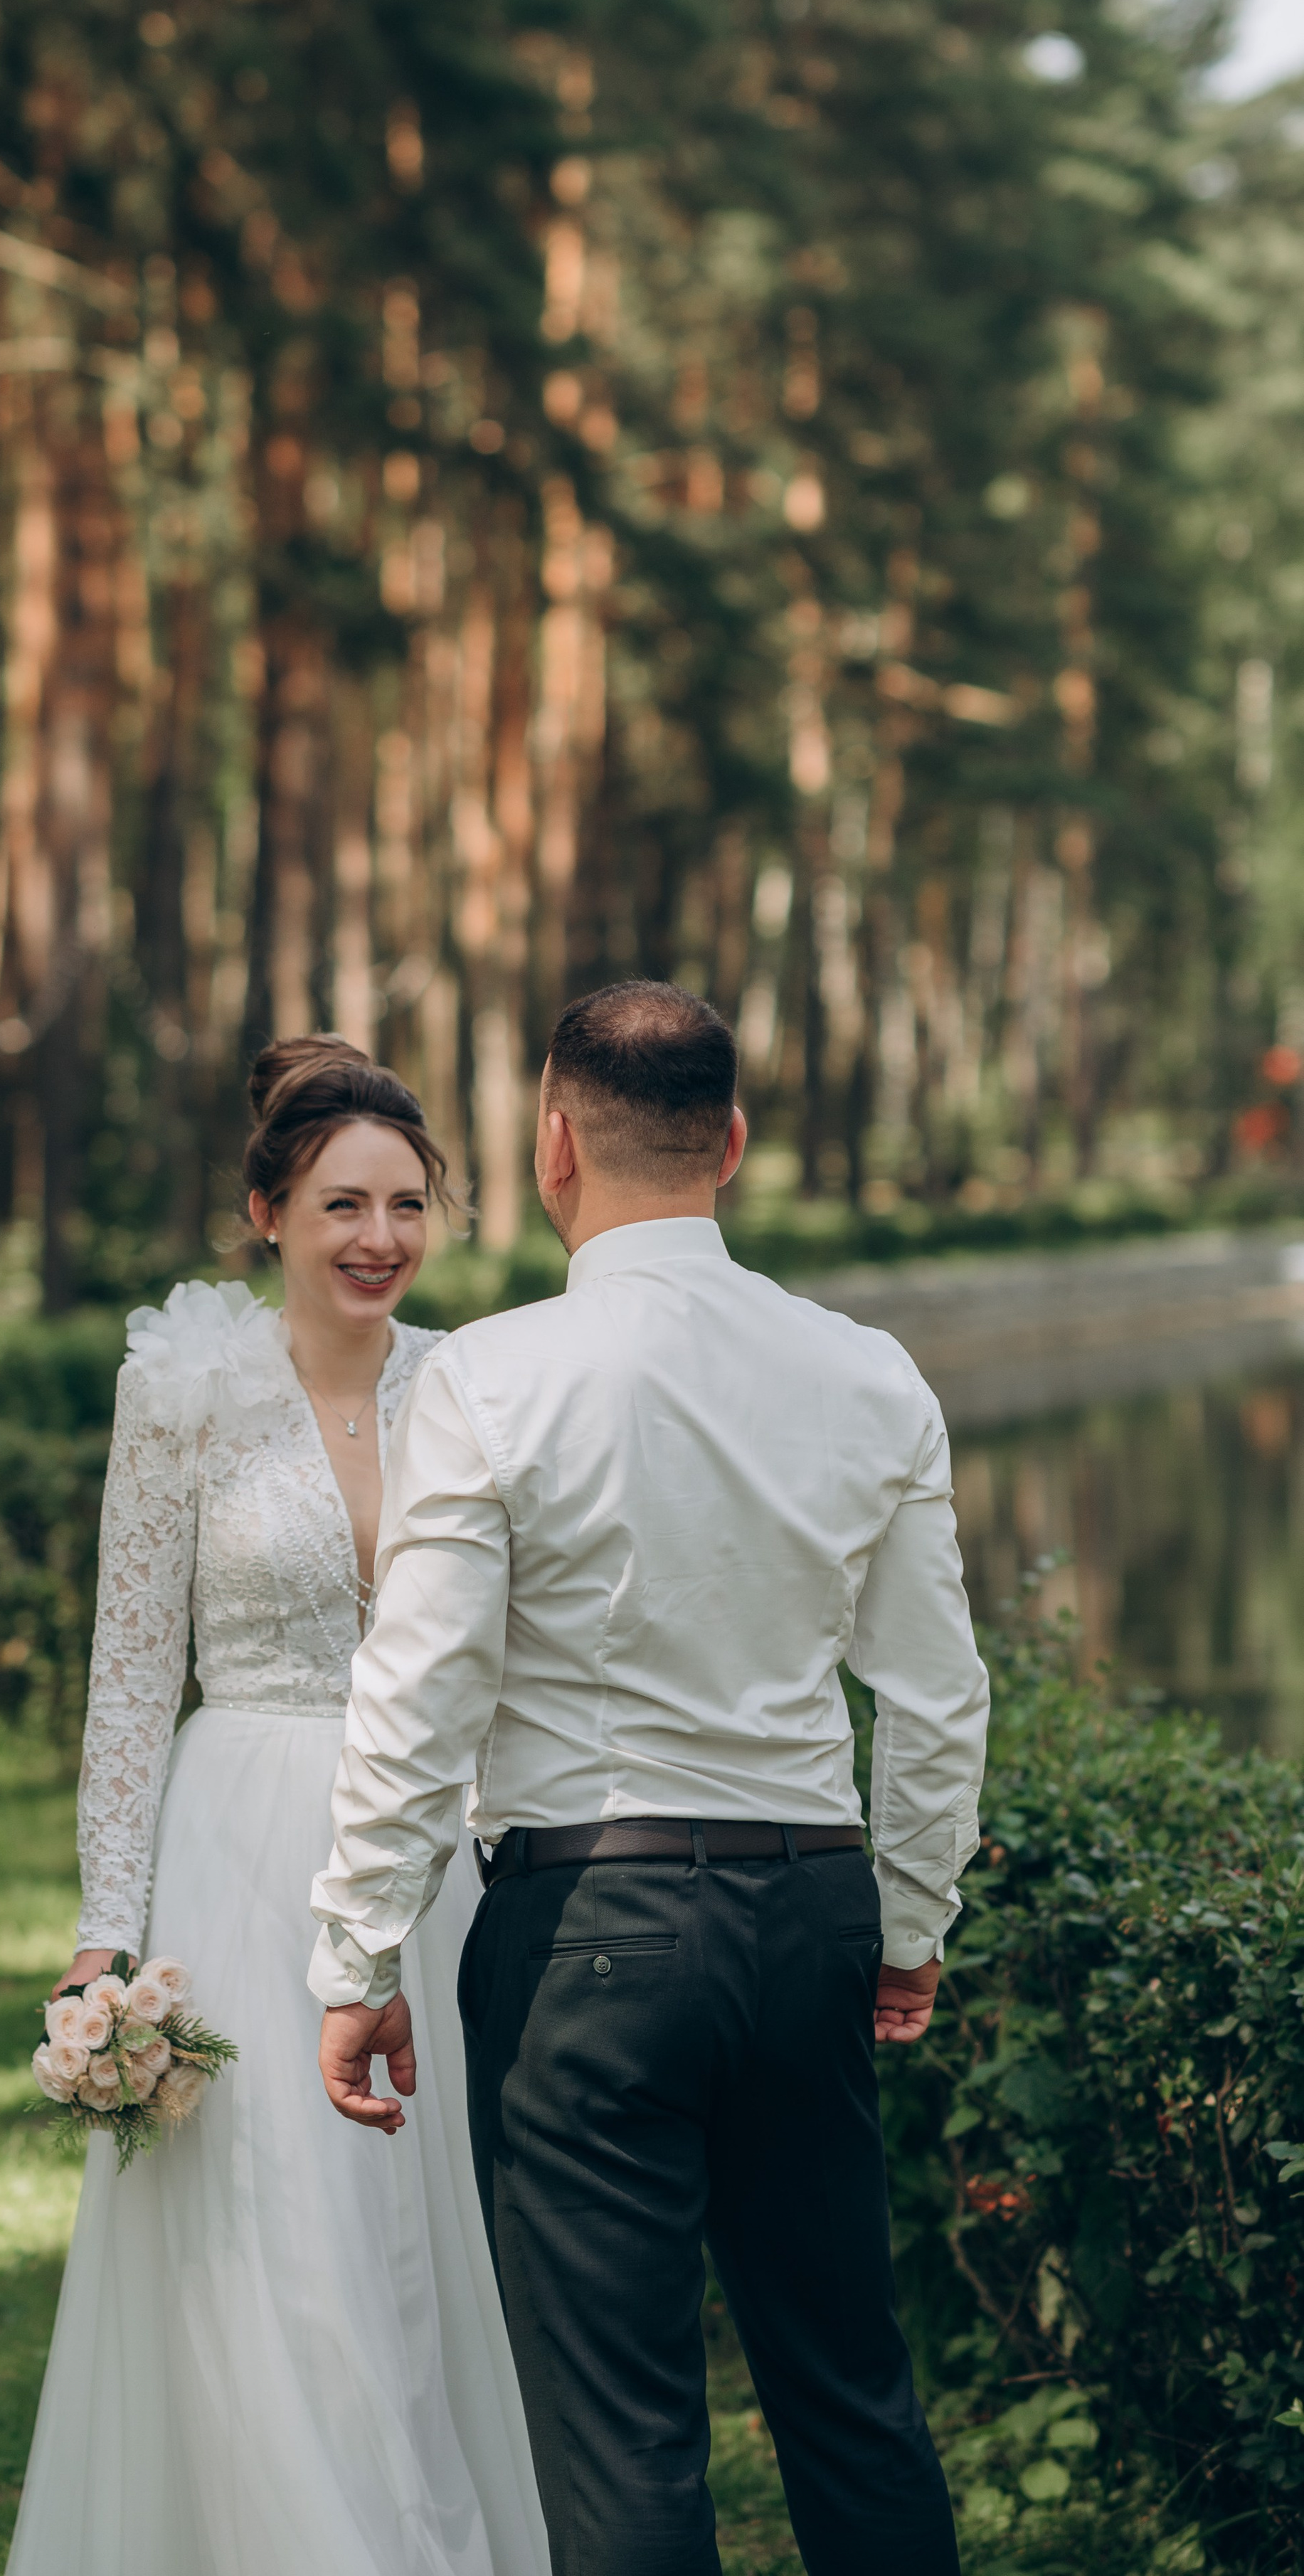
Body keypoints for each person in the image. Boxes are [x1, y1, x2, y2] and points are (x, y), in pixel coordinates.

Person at [309, 980, 989, 2576]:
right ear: (731, 1143)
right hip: (810, 1906)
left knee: (618, 2432)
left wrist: (352, 1950)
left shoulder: (485, 1375)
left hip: (584, 1929)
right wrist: (906, 1921)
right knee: (848, 2391)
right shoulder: (869, 1371)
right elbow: (935, 1694)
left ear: (553, 1143)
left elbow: (419, 1692)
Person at [7, 1037, 547, 2576]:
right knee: (280, 2227)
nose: (377, 1237)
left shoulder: (470, 1385)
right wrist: (106, 1931)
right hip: (241, 1831)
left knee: (423, 2227)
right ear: (266, 1212)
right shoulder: (182, 1390)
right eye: (338, 1206)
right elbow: (129, 1670)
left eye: (404, 1204)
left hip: (434, 1847)